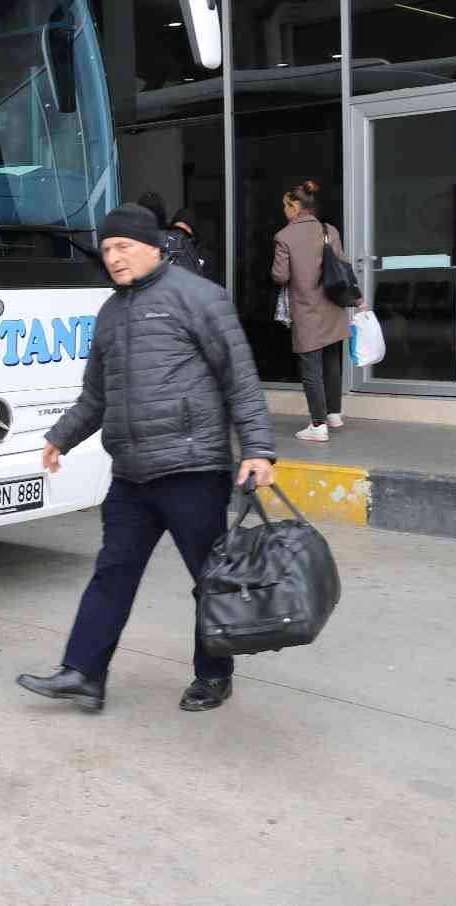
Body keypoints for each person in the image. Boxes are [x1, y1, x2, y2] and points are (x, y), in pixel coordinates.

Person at [17, 204, 278, 714]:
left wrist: (258, 448)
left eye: (124, 247)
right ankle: (84, 674)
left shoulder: (199, 298)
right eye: (108, 249)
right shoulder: (111, 313)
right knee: (112, 572)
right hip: (131, 475)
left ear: (154, 247)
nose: (113, 257)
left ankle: (214, 674)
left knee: (210, 579)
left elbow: (239, 378)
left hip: (193, 468)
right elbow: (97, 395)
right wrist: (60, 437)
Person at [273, 180, 360, 443]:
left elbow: (280, 275)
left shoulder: (284, 236)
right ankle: (334, 413)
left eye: (285, 206)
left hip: (307, 309)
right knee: (331, 361)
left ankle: (318, 424)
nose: (284, 211)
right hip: (332, 307)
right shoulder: (329, 230)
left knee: (311, 367)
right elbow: (342, 266)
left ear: (295, 207)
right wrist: (357, 299)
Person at [163, 207, 210, 277]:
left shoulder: (203, 255)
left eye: (185, 231)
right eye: (176, 229)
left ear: (193, 233)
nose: (180, 235)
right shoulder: (161, 251)